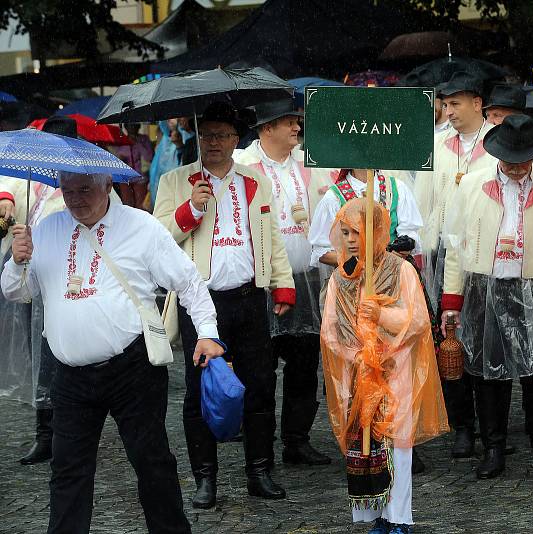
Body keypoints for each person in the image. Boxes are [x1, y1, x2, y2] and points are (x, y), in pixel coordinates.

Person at [1, 170, 224, 534]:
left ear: (108, 186)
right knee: (67, 470)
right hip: (70, 376)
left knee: (152, 462)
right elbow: (15, 292)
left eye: (85, 189)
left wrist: (208, 333)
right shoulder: (46, 230)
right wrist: (17, 261)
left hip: (131, 370)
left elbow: (188, 281)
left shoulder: (141, 227)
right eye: (68, 190)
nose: (75, 199)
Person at [154, 101, 296, 508]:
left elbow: (270, 237)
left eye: (222, 135)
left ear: (237, 140)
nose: (213, 142)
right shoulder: (177, 181)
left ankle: (259, 470)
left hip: (250, 298)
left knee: (260, 385)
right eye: (207, 135)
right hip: (201, 304)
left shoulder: (254, 181)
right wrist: (191, 208)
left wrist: (283, 283)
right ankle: (205, 478)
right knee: (201, 390)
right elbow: (158, 239)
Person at [440, 115, 533, 481]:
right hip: (484, 286)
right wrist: (451, 301)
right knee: (489, 374)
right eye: (510, 159)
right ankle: (493, 447)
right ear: (497, 155)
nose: (517, 167)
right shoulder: (472, 185)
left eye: (524, 159)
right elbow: (455, 247)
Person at [320, 197, 448, 534]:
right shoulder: (340, 278)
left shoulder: (402, 270)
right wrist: (355, 356)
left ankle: (399, 518)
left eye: (356, 231)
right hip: (359, 375)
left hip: (396, 372)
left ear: (375, 231)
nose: (349, 239)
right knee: (364, 447)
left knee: (397, 447)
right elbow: (331, 330)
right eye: (344, 232)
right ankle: (375, 514)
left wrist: (382, 316)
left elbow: (418, 319)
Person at [0, 116, 121, 466]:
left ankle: (67, 430)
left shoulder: (82, 182)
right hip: (29, 274)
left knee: (58, 356)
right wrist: (8, 201)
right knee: (37, 355)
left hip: (66, 278)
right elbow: (8, 200)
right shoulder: (33, 183)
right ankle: (44, 433)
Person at [233, 96, 332, 466]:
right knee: (258, 368)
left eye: (297, 121)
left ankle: (297, 439)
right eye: (288, 121)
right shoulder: (242, 164)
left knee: (305, 364)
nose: (296, 127)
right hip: (259, 282)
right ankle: (258, 441)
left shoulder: (310, 163)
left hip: (306, 279)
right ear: (266, 128)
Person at [412, 71, 496, 461]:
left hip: (485, 253)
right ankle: (462, 425)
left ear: (477, 103)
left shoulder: (495, 143)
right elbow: (423, 203)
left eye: (456, 104)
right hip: (444, 254)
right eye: (446, 105)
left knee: (485, 338)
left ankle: (492, 423)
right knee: (450, 341)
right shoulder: (438, 145)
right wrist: (422, 252)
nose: (449, 111)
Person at [113, 123, 153, 209]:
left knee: (141, 206)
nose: (132, 128)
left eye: (134, 126)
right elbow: (116, 158)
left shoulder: (144, 139)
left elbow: (149, 157)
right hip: (125, 178)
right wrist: (120, 159)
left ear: (138, 127)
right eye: (129, 126)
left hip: (140, 178)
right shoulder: (121, 140)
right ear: (126, 127)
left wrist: (138, 143)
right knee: (127, 205)